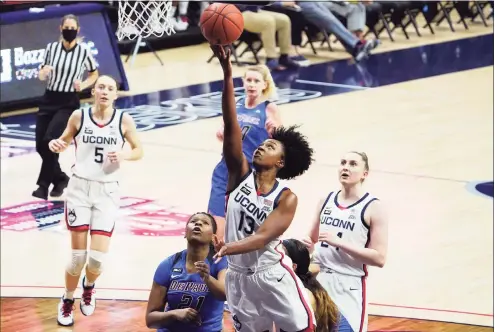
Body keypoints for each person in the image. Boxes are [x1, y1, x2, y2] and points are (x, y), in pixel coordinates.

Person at [210, 44, 316, 332]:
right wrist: (227, 71)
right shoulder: (238, 175)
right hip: (236, 277)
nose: (260, 147)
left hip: (271, 274)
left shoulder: (286, 197)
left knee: (302, 329)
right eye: (262, 143)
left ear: (280, 161)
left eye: (268, 146)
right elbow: (232, 122)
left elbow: (262, 237)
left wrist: (228, 247)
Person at [49, 75, 143, 326]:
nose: (104, 91)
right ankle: (68, 299)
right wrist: (57, 144)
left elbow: (138, 150)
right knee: (77, 257)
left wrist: (123, 154)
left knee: (97, 260)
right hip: (79, 188)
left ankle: (89, 286)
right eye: (101, 86)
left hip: (107, 191)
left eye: (110, 88)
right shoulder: (79, 117)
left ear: (115, 95)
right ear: (94, 91)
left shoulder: (123, 120)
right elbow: (65, 139)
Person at [302, 151, 388, 332]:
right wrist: (307, 247)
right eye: (343, 162)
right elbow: (312, 239)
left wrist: (340, 243)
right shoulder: (325, 200)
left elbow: (379, 258)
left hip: (349, 284)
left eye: (353, 164)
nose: (346, 167)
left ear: (365, 174)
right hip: (320, 280)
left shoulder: (373, 207)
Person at [208, 64, 282, 240]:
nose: (251, 84)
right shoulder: (236, 103)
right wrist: (221, 133)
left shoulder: (269, 108)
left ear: (265, 85)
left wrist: (275, 131)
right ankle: (216, 256)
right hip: (226, 166)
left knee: (244, 222)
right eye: (248, 80)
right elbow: (223, 133)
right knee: (216, 216)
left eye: (256, 81)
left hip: (251, 172)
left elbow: (279, 143)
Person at [33, 14, 99, 200]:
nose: (69, 31)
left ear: (77, 31)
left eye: (72, 29)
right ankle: (61, 179)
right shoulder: (51, 48)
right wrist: (43, 73)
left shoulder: (83, 51)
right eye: (66, 28)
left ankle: (42, 185)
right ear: (60, 29)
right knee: (40, 145)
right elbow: (41, 75)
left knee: (50, 140)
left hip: (68, 102)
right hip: (49, 98)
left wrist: (84, 85)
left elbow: (94, 74)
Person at [145, 212, 227, 332]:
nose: (198, 223)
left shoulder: (219, 261)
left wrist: (207, 278)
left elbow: (225, 294)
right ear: (185, 233)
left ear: (213, 238)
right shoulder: (168, 264)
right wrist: (174, 314)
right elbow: (150, 320)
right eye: (193, 222)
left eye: (205, 223)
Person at [281, 239, 340, 332]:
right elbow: (315, 268)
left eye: (279, 256)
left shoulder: (303, 296)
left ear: (293, 266)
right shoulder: (304, 276)